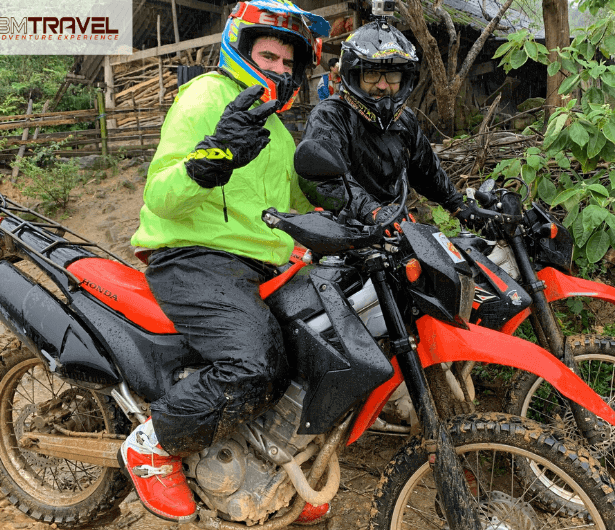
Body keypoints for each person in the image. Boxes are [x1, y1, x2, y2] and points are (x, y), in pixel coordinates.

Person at [121, 0, 329, 524]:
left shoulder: (277, 131)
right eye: (269, 56)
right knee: (254, 365)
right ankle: (152, 442)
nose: (280, 70)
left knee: (319, 349)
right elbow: (162, 196)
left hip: (259, 266)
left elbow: (300, 207)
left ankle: (278, 464)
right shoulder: (205, 96)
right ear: (240, 49)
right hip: (194, 258)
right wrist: (213, 156)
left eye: (288, 64)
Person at [295, 20, 482, 230]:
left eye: (392, 75)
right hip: (343, 232)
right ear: (355, 75)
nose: (383, 85)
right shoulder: (331, 115)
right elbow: (323, 180)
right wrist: (372, 211)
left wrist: (458, 206)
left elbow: (427, 172)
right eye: (372, 73)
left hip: (394, 229)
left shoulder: (404, 118)